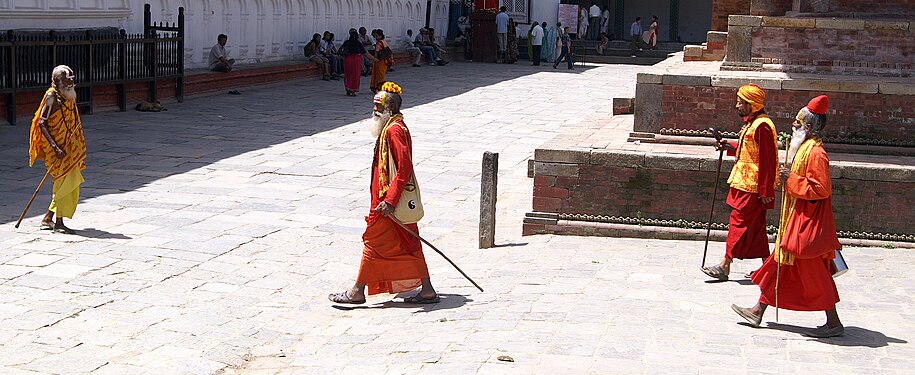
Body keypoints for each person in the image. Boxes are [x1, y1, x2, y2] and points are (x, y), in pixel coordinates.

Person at [732, 95, 844, 338]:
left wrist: (790, 179)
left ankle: (833, 322)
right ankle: (758, 310)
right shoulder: (803, 148)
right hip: (795, 218)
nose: (793, 125)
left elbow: (821, 189)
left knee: (813, 272)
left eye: (798, 121)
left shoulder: (816, 153)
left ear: (809, 126)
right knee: (779, 263)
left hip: (807, 223)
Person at [328, 81, 439, 305]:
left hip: (388, 204)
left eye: (379, 106)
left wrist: (390, 200)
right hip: (385, 200)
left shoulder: (395, 130)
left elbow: (404, 168)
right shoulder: (391, 127)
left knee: (373, 242)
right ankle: (426, 289)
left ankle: (357, 292)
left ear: (390, 108)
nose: (374, 110)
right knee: (408, 244)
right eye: (374, 105)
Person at [702, 83, 777, 281]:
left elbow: (768, 161)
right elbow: (748, 149)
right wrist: (728, 145)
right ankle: (769, 269)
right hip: (743, 182)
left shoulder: (763, 126)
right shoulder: (752, 124)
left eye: (740, 102)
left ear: (751, 104)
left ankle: (725, 265)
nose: (737, 106)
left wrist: (766, 191)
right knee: (756, 228)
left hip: (752, 187)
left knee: (739, 223)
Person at [29, 65, 87, 234]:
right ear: (57, 81)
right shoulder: (51, 97)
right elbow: (42, 122)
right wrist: (55, 146)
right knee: (61, 181)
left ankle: (48, 218)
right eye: (67, 79)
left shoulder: (69, 96)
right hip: (55, 147)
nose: (71, 82)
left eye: (72, 79)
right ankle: (58, 222)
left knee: (69, 179)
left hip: (69, 145)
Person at [342, 28, 376, 96]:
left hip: (348, 59)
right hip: (356, 60)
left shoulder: (347, 42)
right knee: (355, 75)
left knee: (348, 74)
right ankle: (353, 90)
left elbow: (342, 50)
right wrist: (374, 58)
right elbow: (365, 53)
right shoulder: (358, 43)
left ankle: (348, 88)